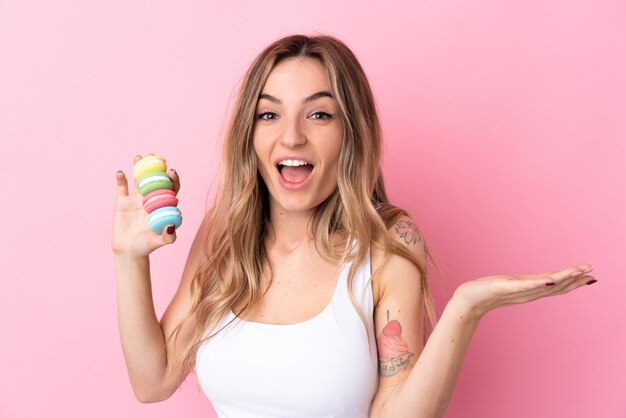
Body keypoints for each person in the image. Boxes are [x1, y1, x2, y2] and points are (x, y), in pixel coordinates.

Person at [112, 34, 596, 418]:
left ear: (351, 131)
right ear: (250, 133)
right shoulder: (226, 232)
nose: (292, 135)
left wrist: (464, 310)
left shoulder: (388, 245)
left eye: (319, 114)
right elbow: (153, 382)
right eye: (269, 113)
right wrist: (129, 259)